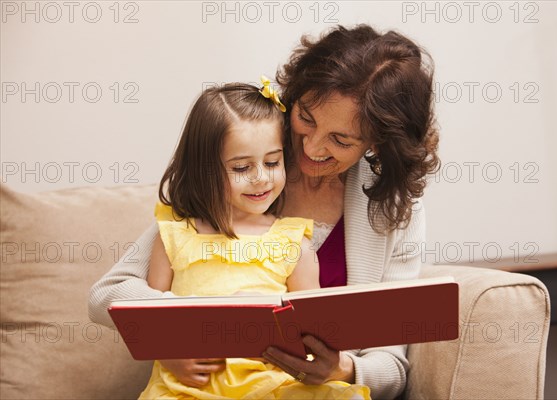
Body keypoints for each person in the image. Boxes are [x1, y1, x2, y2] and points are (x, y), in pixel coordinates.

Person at [90, 24, 439, 399]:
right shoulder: (241, 167)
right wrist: (176, 334)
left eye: (341, 139)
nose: (312, 148)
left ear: (378, 142)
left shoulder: (393, 211)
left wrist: (343, 368)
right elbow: (107, 294)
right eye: (306, 117)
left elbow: (393, 367)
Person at [137, 81, 370, 399]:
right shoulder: (174, 236)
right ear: (204, 171)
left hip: (271, 383)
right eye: (242, 167)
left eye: (273, 162)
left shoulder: (294, 243)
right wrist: (167, 353)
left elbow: (315, 330)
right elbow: (149, 320)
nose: (261, 177)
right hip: (192, 389)